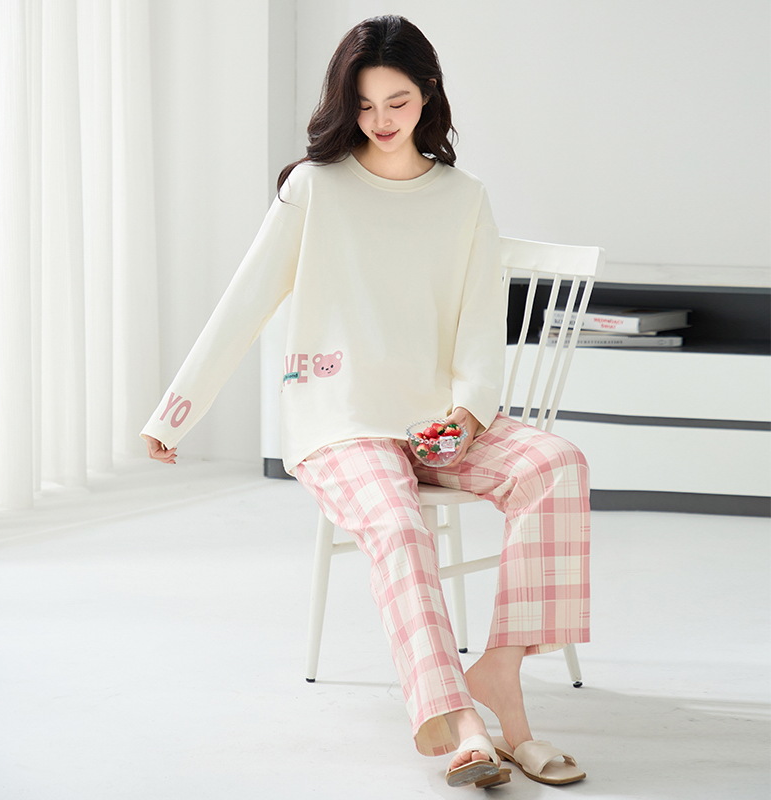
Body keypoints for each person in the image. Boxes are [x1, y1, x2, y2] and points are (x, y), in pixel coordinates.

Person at [141, 15, 589, 790]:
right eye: (365, 103)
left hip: (441, 420)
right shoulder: (315, 188)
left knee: (558, 463)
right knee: (399, 524)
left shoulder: (464, 199)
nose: (381, 120)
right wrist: (177, 411)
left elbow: (480, 329)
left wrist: (467, 416)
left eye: (398, 101)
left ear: (429, 95)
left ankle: (500, 672)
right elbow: (244, 302)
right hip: (342, 420)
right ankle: (466, 725)